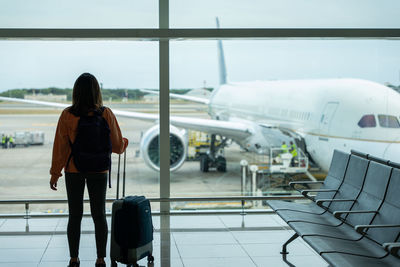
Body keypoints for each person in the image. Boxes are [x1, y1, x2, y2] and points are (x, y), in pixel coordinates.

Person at [49, 73, 128, 267]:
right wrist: (125, 142)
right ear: (97, 91)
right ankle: (101, 259)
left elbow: (61, 147)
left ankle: (74, 258)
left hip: (73, 170)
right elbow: (117, 147)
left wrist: (55, 173)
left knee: (74, 216)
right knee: (99, 215)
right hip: (98, 171)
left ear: (76, 92)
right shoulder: (105, 113)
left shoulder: (67, 115)